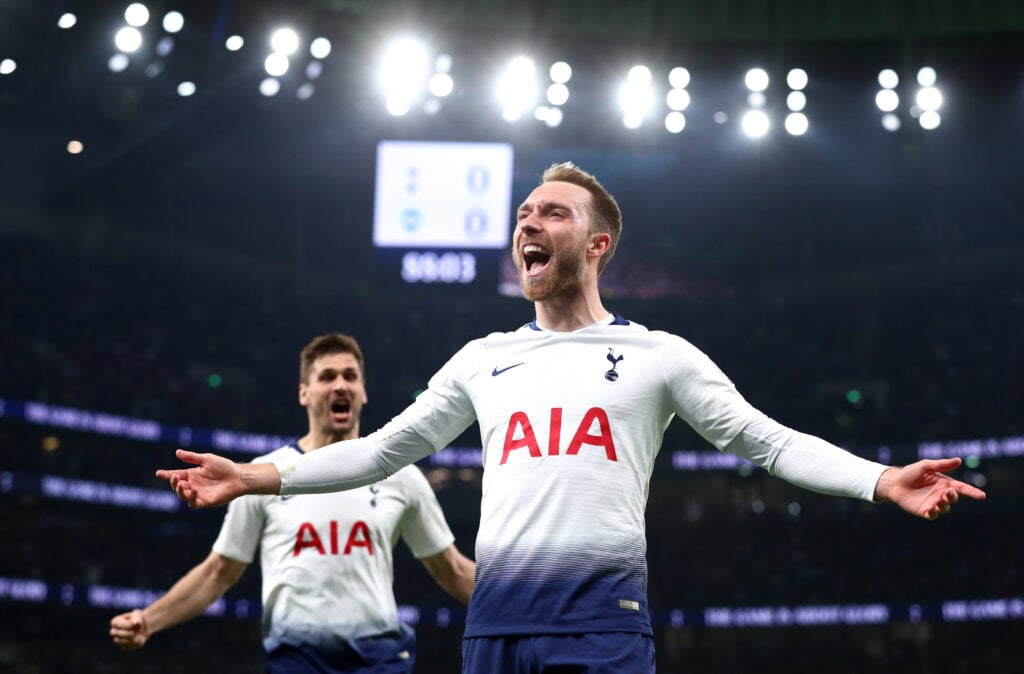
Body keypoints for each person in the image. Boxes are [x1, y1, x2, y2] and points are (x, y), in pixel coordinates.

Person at [156, 163, 987, 674]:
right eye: (524, 213)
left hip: (601, 628)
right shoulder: (482, 359)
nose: (528, 221)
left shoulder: (659, 355)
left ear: (597, 246)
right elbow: (378, 452)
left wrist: (880, 478)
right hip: (492, 633)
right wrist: (253, 476)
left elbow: (766, 442)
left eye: (552, 212)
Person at [113, 333, 475, 673]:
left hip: (380, 660)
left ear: (363, 392)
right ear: (304, 393)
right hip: (297, 660)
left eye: (350, 376)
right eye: (327, 376)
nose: (340, 385)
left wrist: (513, 602)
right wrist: (149, 620)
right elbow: (217, 573)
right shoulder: (259, 476)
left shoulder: (402, 477)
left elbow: (453, 571)